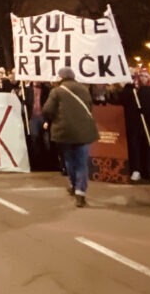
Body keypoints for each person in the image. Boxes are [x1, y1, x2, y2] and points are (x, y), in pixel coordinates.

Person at [43, 67, 99, 207]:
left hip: (65, 132)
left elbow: (47, 110)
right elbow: (90, 107)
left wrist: (56, 119)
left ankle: (74, 185)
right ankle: (80, 193)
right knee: (81, 163)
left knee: (69, 160)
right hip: (84, 131)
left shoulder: (56, 91)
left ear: (61, 77)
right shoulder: (84, 89)